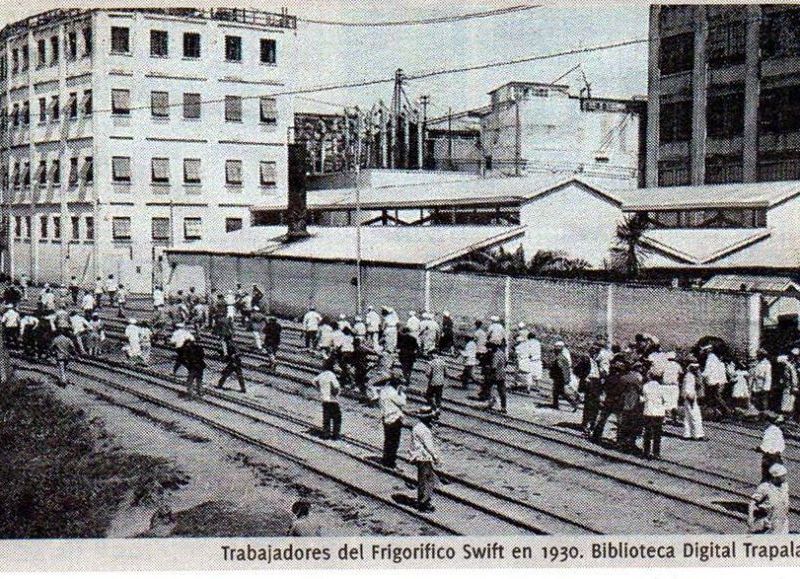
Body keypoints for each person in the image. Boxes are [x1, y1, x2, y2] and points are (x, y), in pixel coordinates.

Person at [410, 407, 440, 512]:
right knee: (427, 480)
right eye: (430, 417)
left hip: (419, 456)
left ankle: (423, 501)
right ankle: (423, 503)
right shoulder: (425, 430)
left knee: (423, 479)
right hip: (424, 457)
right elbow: (429, 447)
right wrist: (436, 457)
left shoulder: (417, 427)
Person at [748, 463, 790, 535]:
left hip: (783, 523)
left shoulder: (785, 486)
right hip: (769, 524)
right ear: (775, 477)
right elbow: (752, 503)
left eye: (784, 475)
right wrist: (750, 519)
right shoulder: (764, 487)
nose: (784, 477)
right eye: (782, 476)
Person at [379, 370, 407, 469]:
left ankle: (386, 459)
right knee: (394, 442)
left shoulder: (384, 390)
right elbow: (402, 402)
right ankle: (390, 462)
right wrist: (400, 391)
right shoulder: (393, 392)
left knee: (388, 440)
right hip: (394, 418)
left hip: (386, 417)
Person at [640, 368, 667, 459]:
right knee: (657, 434)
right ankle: (656, 453)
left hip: (648, 411)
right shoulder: (662, 387)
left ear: (650, 376)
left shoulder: (646, 386)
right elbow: (665, 400)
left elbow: (643, 399)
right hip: (659, 413)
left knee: (647, 433)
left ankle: (646, 452)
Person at [315, 358, 341, 440]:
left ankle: (326, 434)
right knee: (337, 418)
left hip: (324, 399)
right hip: (333, 400)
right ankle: (335, 435)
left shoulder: (321, 375)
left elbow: (314, 381)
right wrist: (336, 393)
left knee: (326, 417)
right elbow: (336, 386)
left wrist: (320, 388)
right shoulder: (331, 375)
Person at [550, 341, 579, 411]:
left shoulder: (562, 356)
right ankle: (556, 404)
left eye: (556, 347)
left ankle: (573, 402)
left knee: (560, 392)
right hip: (559, 376)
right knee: (556, 392)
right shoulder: (563, 354)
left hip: (560, 377)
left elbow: (563, 368)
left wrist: (565, 378)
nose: (555, 349)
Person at [701, 344, 729, 418]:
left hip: (715, 381)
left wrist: (701, 375)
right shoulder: (715, 358)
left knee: (716, 396)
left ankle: (727, 411)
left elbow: (707, 371)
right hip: (719, 380)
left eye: (705, 351)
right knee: (716, 396)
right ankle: (719, 413)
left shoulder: (710, 359)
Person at [681, 357, 705, 441]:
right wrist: (690, 398)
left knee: (688, 417)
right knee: (695, 415)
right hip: (690, 397)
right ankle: (697, 435)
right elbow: (688, 389)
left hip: (688, 397)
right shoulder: (690, 376)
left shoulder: (689, 375)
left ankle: (687, 434)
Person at [758, 412, 785, 482]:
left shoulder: (769, 431)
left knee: (766, 477)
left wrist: (758, 449)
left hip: (769, 457)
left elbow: (765, 446)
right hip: (777, 456)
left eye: (763, 422)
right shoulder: (777, 430)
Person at [486, 343, 508, 414]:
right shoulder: (502, 353)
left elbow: (494, 367)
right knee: (502, 391)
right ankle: (503, 407)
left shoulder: (495, 354)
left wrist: (489, 373)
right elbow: (506, 363)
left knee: (489, 388)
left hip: (496, 374)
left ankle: (491, 403)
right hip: (502, 373)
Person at [660, 352, 682, 423]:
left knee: (664, 402)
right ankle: (675, 419)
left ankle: (664, 419)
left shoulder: (663, 365)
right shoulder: (677, 365)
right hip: (674, 386)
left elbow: (659, 373)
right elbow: (681, 373)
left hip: (665, 385)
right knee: (674, 402)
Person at [777, 355, 798, 419]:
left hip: (790, 387)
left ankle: (789, 416)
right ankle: (786, 415)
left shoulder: (790, 367)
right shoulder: (785, 367)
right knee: (785, 401)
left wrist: (794, 386)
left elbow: (794, 377)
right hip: (786, 386)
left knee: (790, 401)